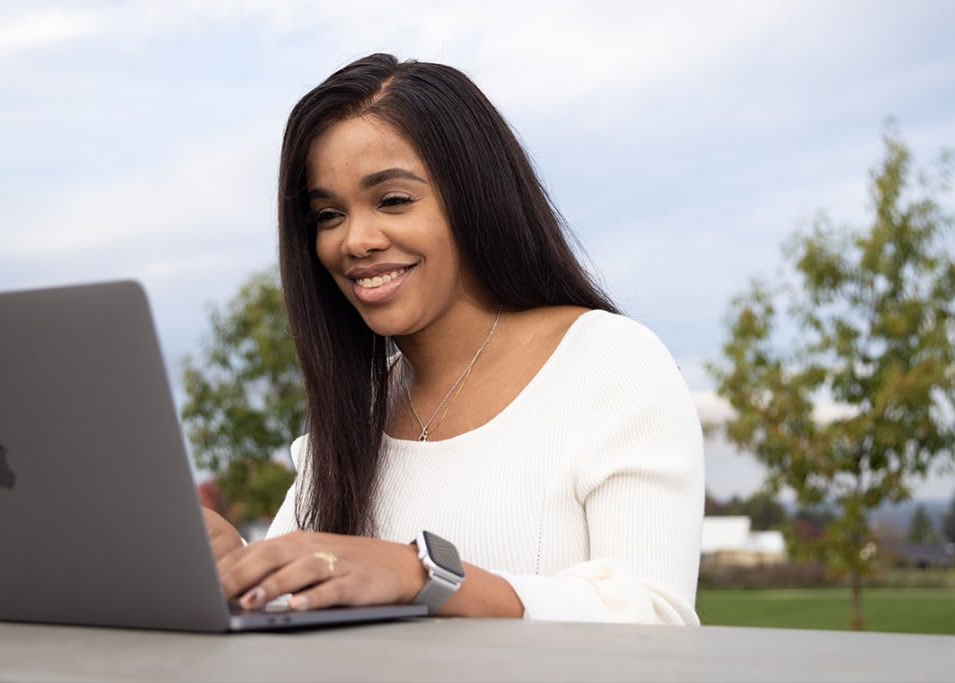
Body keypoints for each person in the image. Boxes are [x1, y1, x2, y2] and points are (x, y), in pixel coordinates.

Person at [203, 53, 704, 624]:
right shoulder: (356, 414)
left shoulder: (610, 363)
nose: (355, 240)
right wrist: (225, 564)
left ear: (476, 199)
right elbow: (301, 595)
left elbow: (657, 622)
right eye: (328, 215)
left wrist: (423, 576)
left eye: (392, 200)